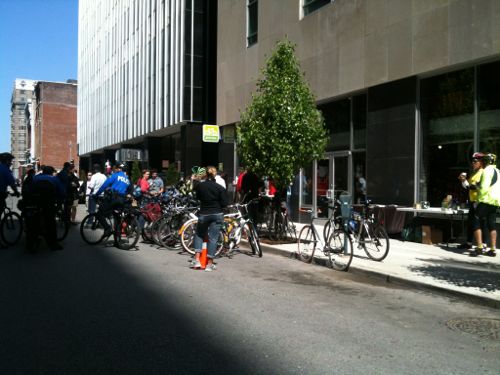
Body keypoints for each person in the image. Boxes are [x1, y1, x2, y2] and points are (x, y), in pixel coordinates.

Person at [191, 166, 230, 271]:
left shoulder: (200, 186)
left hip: (204, 213)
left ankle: (197, 260)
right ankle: (209, 264)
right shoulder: (219, 187)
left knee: (199, 234)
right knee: (213, 239)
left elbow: (197, 198)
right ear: (215, 174)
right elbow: (225, 203)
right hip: (217, 213)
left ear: (206, 174)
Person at [26, 165, 66, 252]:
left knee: (32, 222)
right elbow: (62, 192)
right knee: (51, 223)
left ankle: (30, 243)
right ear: (51, 172)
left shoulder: (36, 178)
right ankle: (53, 244)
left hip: (35, 203)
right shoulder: (54, 179)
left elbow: (30, 189)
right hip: (48, 203)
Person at [471, 153, 500, 257]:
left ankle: (479, 247)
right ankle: (492, 249)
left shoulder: (487, 171)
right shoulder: (498, 171)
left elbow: (484, 188)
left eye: (484, 160)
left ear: (487, 161)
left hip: (485, 200)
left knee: (476, 221)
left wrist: (478, 201)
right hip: (495, 202)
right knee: (491, 224)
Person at [93, 163, 131, 238]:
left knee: (99, 214)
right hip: (122, 200)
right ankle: (117, 239)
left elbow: (105, 185)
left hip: (114, 198)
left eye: (116, 168)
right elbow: (128, 190)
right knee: (116, 217)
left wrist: (97, 194)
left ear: (118, 169)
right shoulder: (127, 179)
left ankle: (108, 228)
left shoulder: (115, 175)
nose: (115, 170)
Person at [458, 152, 486, 250]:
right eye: (472, 161)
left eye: (475, 161)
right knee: (471, 223)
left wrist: (466, 183)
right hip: (472, 201)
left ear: (481, 163)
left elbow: (476, 187)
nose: (473, 163)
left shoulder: (483, 172)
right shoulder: (475, 173)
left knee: (479, 223)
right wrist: (463, 180)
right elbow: (467, 187)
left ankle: (483, 245)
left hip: (478, 202)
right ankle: (469, 243)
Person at [0, 153, 21, 248]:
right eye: (11, 161)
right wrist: (16, 192)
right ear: (7, 161)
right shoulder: (6, 170)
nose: (11, 163)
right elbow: (12, 184)